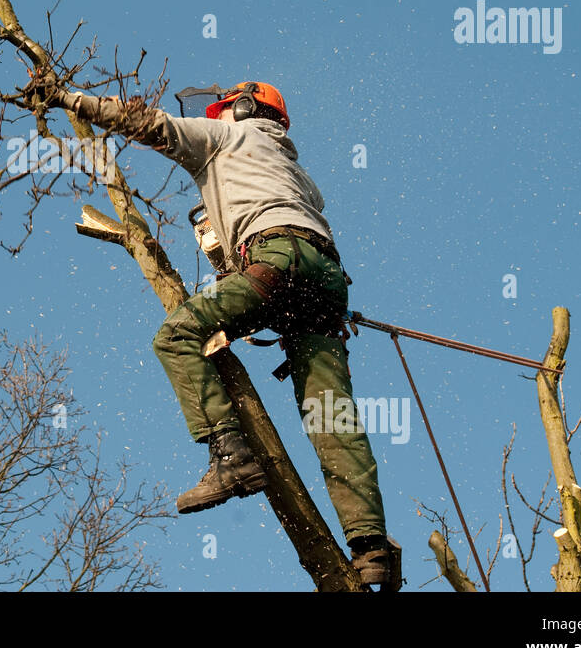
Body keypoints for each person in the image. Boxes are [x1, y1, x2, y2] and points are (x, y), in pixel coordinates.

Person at [37, 79, 392, 583]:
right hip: (326, 281)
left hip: (276, 260)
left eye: (223, 109)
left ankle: (230, 454)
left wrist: (70, 100)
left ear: (243, 108)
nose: (217, 115)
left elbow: (149, 123)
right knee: (331, 417)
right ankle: (372, 545)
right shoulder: (297, 173)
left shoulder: (227, 137)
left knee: (175, 335)